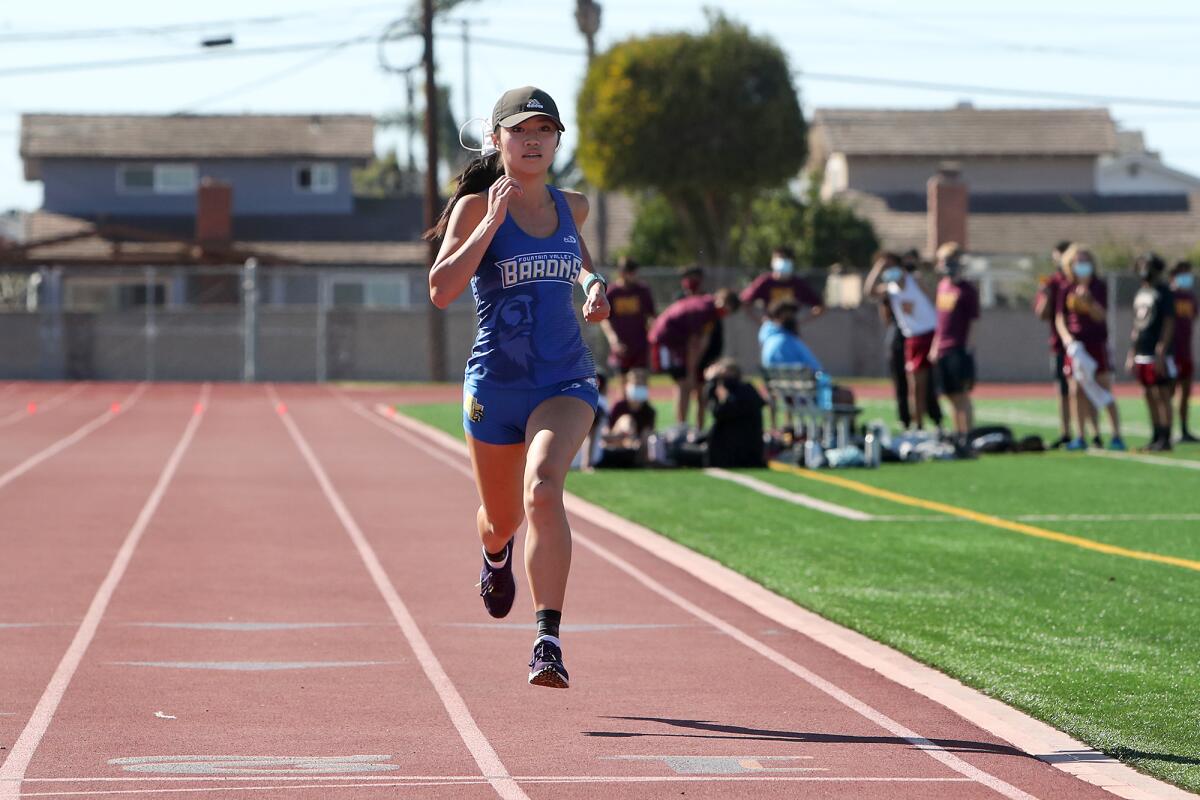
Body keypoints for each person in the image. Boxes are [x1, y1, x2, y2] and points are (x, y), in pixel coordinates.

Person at [425, 86, 611, 689]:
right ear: (498, 140)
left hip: (564, 379)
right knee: (502, 518)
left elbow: (580, 261)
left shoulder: (572, 205)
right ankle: (495, 552)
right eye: (521, 131)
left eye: (545, 131)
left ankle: (547, 641)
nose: (533, 141)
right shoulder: (475, 208)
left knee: (543, 490)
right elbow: (441, 288)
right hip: (496, 387)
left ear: (558, 140)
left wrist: (593, 287)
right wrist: (493, 223)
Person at [1054, 244, 1125, 451]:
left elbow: (1101, 316)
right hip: (1076, 346)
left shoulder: (1098, 286)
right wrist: (1067, 339)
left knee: (1103, 387)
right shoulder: (1065, 287)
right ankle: (1081, 436)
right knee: (1076, 390)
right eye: (1077, 261)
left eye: (1085, 261)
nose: (1082, 265)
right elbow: (1060, 317)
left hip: (1096, 343)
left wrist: (1089, 301)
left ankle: (1116, 435)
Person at [864, 250, 939, 430]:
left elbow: (934, 299)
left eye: (891, 266)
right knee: (915, 385)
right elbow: (868, 292)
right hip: (913, 338)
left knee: (931, 384)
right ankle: (917, 425)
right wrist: (877, 268)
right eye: (885, 268)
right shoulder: (889, 289)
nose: (888, 270)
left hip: (931, 333)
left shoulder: (916, 281)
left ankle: (937, 421)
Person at [648, 288, 740, 433]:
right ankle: (681, 427)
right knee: (684, 383)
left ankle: (698, 429)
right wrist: (691, 372)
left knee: (696, 386)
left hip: (680, 344)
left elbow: (704, 339)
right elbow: (693, 344)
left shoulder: (711, 312)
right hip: (668, 340)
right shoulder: (704, 309)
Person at [930, 242, 979, 450]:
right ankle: (958, 431)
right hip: (941, 347)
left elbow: (974, 321)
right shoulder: (942, 286)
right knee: (949, 394)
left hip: (959, 347)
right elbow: (940, 322)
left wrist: (968, 348)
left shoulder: (967, 290)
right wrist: (934, 346)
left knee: (961, 394)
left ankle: (967, 433)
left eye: (951, 261)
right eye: (944, 261)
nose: (947, 265)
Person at [1127, 254, 1176, 451]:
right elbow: (1137, 325)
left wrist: (1161, 350)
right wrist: (1132, 352)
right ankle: (1155, 435)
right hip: (1142, 350)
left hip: (1157, 351)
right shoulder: (1141, 292)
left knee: (1161, 393)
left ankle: (1165, 437)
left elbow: (1169, 321)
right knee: (1147, 393)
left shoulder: (1163, 291)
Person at [1033, 241, 1074, 447]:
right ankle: (1066, 431)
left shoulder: (1080, 281)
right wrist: (1046, 295)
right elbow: (1042, 314)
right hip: (1059, 344)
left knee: (1082, 390)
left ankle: (1086, 432)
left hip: (1083, 344)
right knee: (1063, 390)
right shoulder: (1053, 282)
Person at [600, 256, 656, 398]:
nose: (634, 275)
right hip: (621, 346)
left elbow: (651, 315)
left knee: (640, 382)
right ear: (622, 273)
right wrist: (614, 340)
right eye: (630, 272)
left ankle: (641, 416)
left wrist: (652, 331)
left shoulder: (642, 290)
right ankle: (623, 415)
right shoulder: (612, 292)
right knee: (623, 385)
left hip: (640, 344)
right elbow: (605, 319)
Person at [740, 245, 825, 333]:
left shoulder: (798, 284)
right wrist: (760, 321)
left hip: (790, 330)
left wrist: (800, 322)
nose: (783, 262)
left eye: (787, 259)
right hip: (771, 329)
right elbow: (744, 301)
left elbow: (820, 307)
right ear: (772, 261)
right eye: (780, 258)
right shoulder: (765, 281)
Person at [703, 358, 767, 468]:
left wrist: (711, 382)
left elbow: (719, 412)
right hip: (744, 454)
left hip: (735, 456)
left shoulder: (740, 391)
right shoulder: (746, 389)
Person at [600, 368, 657, 467]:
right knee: (627, 420)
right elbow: (607, 432)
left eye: (641, 385)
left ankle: (637, 456)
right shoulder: (619, 406)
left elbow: (647, 434)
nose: (638, 388)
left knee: (648, 434)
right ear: (627, 386)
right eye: (636, 384)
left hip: (638, 446)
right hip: (616, 440)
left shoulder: (649, 411)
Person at [1170, 261, 1197, 442]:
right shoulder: (1168, 296)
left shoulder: (1191, 297)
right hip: (1171, 352)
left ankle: (1185, 429)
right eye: (1183, 274)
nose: (1187, 277)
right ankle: (1167, 429)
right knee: (1168, 392)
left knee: (1186, 392)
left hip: (1185, 351)